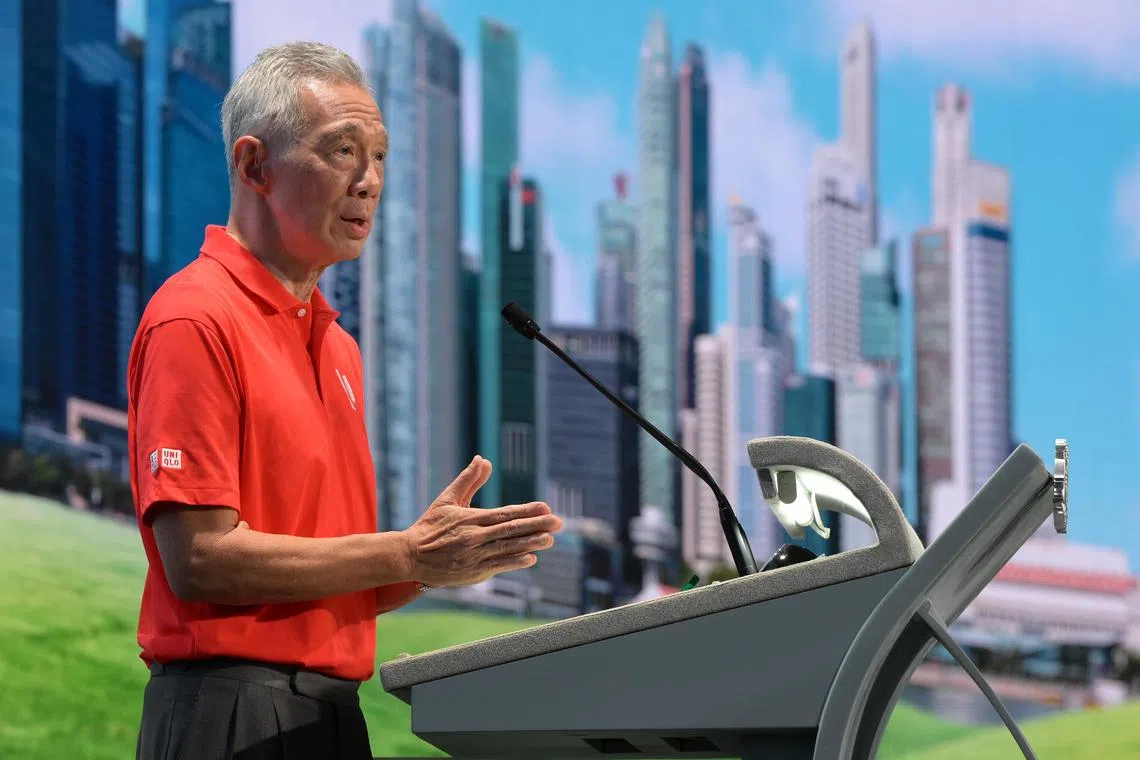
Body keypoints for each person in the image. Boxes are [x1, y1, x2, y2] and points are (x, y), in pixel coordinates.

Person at [128, 41, 562, 760]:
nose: (370, 181)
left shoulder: (340, 349)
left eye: (381, 156)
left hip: (333, 717)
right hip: (229, 713)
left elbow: (337, 579)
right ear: (253, 164)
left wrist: (429, 562)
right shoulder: (194, 318)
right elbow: (200, 560)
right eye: (342, 151)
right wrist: (403, 549)